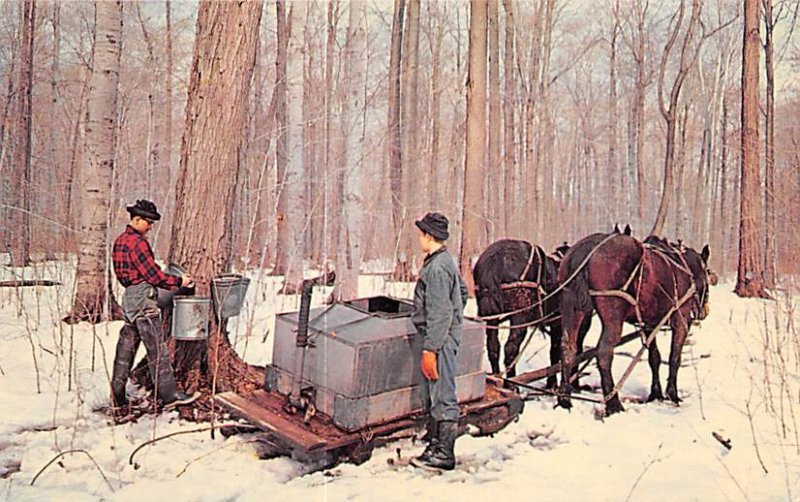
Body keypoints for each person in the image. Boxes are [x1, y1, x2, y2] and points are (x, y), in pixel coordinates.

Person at [110, 199, 195, 410]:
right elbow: (154, 276)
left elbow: (123, 275)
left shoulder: (120, 241)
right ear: (137, 220)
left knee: (126, 349)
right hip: (143, 299)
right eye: (148, 222)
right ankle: (170, 396)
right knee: (157, 349)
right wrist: (179, 282)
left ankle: (117, 395)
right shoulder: (138, 243)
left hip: (129, 297)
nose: (150, 227)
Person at [411, 212, 469, 470]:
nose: (419, 239)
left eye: (421, 234)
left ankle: (444, 453)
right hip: (442, 334)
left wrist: (431, 349)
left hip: (440, 338)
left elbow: (441, 312)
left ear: (429, 236)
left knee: (443, 393)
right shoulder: (443, 260)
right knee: (436, 390)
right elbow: (463, 292)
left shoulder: (436, 268)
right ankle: (435, 443)